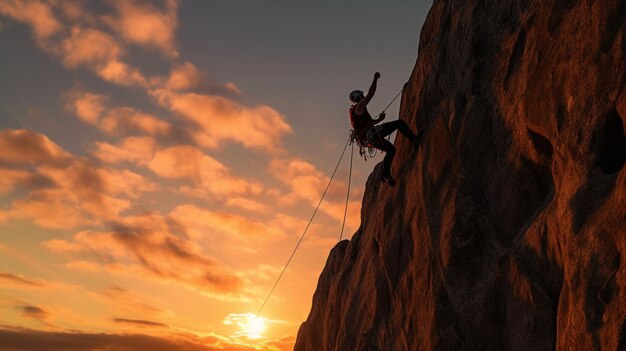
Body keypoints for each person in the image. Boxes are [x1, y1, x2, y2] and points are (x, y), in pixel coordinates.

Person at [349, 72, 421, 186]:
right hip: (371, 135)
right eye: (362, 96)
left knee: (391, 150)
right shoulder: (359, 106)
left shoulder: (357, 112)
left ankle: (385, 174)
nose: (364, 97)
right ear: (359, 97)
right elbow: (371, 94)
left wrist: (380, 119)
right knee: (400, 123)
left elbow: (369, 123)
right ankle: (414, 140)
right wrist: (375, 78)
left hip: (368, 139)